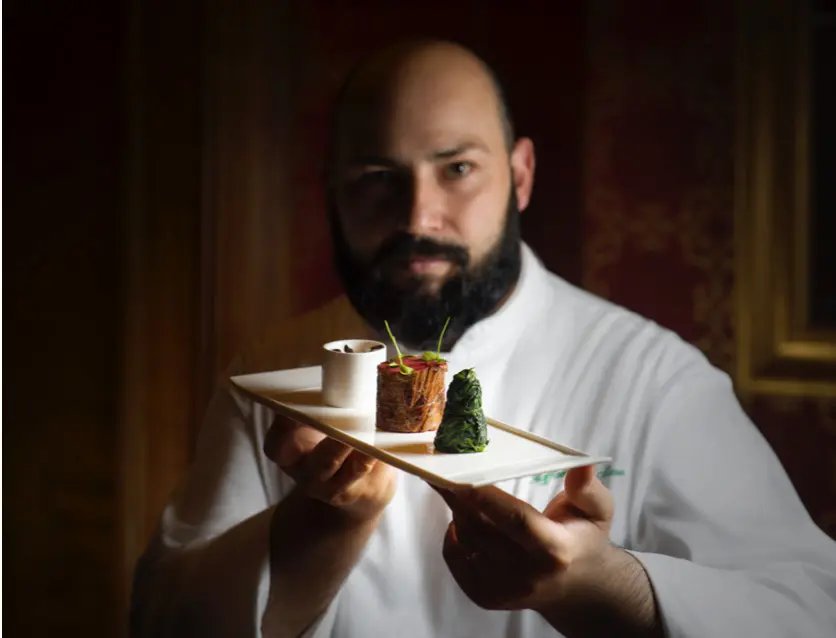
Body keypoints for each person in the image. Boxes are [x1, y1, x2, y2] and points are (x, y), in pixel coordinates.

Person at [131, 40, 836, 638]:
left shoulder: (651, 378)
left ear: (520, 176)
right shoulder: (270, 373)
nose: (419, 216)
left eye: (457, 169)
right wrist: (319, 528)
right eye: (377, 177)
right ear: (331, 192)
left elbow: (812, 610)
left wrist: (604, 586)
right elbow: (162, 619)